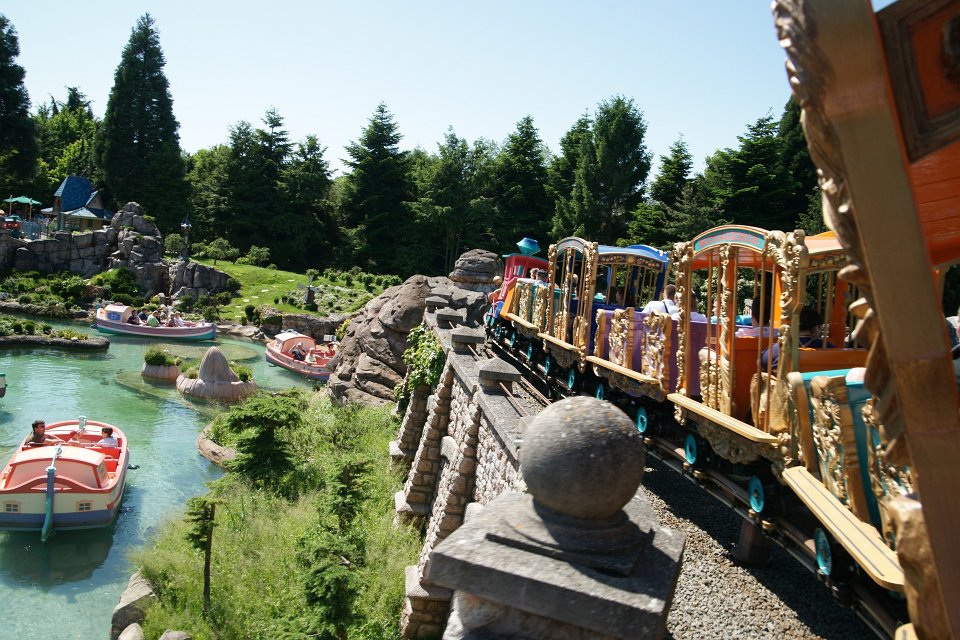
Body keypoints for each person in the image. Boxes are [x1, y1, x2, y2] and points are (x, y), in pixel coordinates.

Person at [762, 306, 832, 370]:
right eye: (820, 328)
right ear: (816, 328)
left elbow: (762, 364)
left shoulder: (775, 349)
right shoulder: (828, 348)